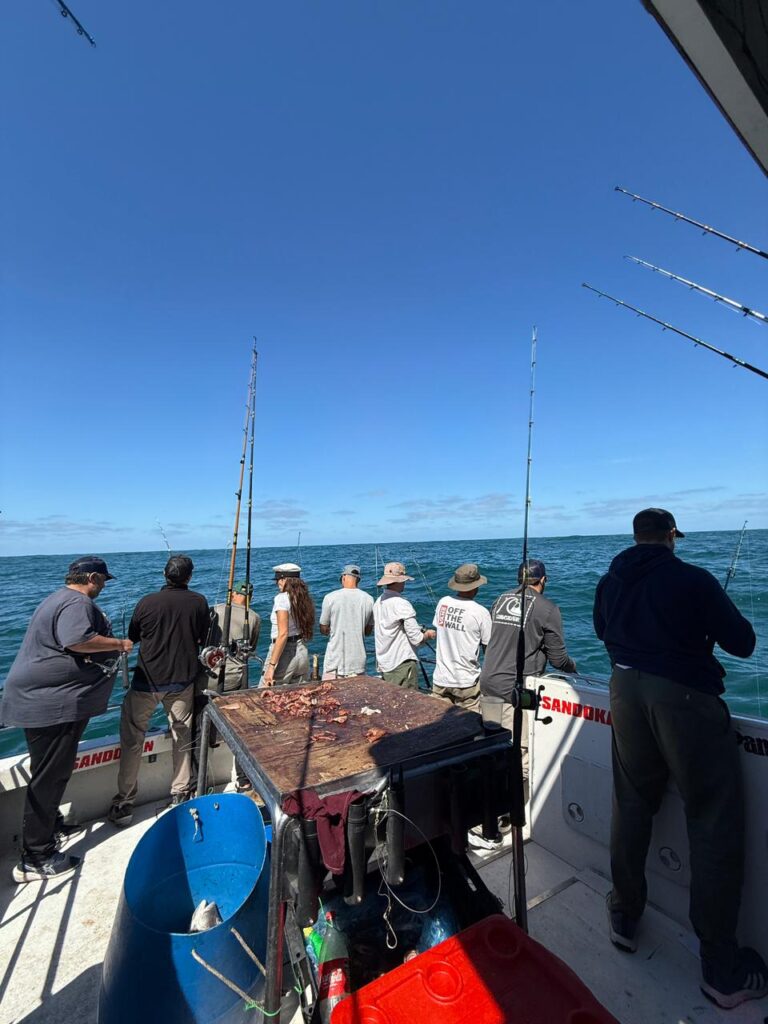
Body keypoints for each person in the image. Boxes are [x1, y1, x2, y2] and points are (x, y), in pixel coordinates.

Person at [593, 508, 766, 1008]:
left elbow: (603, 631)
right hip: (685, 698)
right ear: (671, 536)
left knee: (631, 801)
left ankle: (624, 914)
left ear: (636, 537)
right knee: (712, 816)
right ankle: (721, 968)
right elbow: (744, 644)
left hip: (624, 690)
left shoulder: (610, 580)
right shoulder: (694, 580)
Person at [1, 557, 132, 881]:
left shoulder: (58, 598)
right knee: (50, 775)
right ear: (92, 577)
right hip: (50, 704)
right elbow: (76, 639)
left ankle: (49, 826)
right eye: (103, 580)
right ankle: (36, 856)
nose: (104, 586)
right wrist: (119, 644)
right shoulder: (77, 603)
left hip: (44, 702)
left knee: (49, 771)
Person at [473, 559, 576, 850]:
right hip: (514, 691)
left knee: (492, 750)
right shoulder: (548, 608)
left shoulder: (500, 599)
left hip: (489, 681)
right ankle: (502, 817)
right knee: (519, 756)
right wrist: (574, 670)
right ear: (543, 580)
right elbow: (559, 658)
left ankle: (483, 814)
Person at [109, 555, 209, 827]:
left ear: (165, 575)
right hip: (182, 682)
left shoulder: (146, 602)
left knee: (133, 740)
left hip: (146, 681)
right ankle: (180, 792)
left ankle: (124, 803)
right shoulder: (199, 601)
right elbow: (203, 637)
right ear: (189, 577)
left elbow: (133, 636)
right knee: (181, 737)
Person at [432, 563, 492, 712]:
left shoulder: (443, 603)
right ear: (476, 587)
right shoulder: (480, 612)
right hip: (466, 682)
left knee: (440, 719)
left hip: (441, 679)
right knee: (469, 722)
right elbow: (489, 649)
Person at [373, 562, 435, 689]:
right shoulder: (401, 604)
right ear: (400, 581)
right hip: (402, 663)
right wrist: (429, 634)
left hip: (385, 663)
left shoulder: (378, 601)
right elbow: (416, 639)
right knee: (407, 699)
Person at [262, 563, 315, 686]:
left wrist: (271, 666)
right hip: (301, 651)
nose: (277, 583)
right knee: (298, 693)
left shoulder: (281, 599)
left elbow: (283, 634)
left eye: (278, 579)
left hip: (284, 654)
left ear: (285, 580)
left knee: (266, 692)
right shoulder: (302, 598)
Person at [319, 565, 374, 679]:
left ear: (343, 577)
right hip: (358, 663)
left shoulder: (330, 597)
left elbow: (323, 629)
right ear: (358, 580)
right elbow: (368, 631)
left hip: (335, 663)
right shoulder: (369, 599)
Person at [205, 581, 261, 693]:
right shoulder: (255, 617)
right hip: (235, 678)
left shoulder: (214, 609)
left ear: (233, 594)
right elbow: (251, 647)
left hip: (208, 676)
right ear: (250, 598)